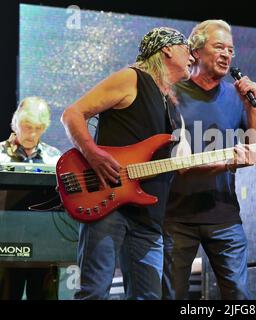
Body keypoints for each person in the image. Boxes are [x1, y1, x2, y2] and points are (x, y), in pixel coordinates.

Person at [60, 27, 194, 300]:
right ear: (167, 49)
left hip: (148, 216)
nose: (192, 56)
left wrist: (229, 161)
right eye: (186, 47)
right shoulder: (131, 78)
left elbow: (180, 165)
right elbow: (72, 114)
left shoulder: (170, 102)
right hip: (108, 202)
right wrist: (92, 154)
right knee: (95, 293)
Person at [162, 19, 256, 300]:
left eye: (231, 50)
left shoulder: (236, 97)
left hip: (224, 216)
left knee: (239, 296)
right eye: (219, 47)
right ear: (194, 51)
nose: (226, 55)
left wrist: (251, 108)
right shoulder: (172, 94)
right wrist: (229, 163)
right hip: (176, 216)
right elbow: (178, 163)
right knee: (172, 295)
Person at [0, 96, 61, 300]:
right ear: (15, 122)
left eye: (39, 128)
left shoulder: (55, 158)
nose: (32, 134)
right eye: (27, 127)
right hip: (5, 245)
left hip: (45, 246)